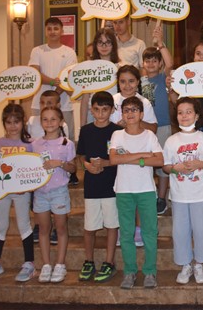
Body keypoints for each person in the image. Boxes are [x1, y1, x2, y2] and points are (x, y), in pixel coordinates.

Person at [109, 96, 164, 289]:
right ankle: (130, 271)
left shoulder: (149, 136)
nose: (130, 113)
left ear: (141, 114)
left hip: (146, 190)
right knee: (126, 233)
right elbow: (114, 160)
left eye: (134, 110)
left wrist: (132, 159)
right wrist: (143, 155)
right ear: (122, 114)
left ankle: (150, 272)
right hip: (124, 190)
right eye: (126, 110)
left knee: (149, 233)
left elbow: (159, 161)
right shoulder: (117, 135)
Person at [163, 97, 203, 285]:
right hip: (179, 195)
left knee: (201, 229)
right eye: (180, 112)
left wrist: (199, 164)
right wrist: (174, 168)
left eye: (188, 112)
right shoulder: (171, 140)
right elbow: (166, 166)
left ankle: (199, 264)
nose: (184, 116)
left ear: (197, 115)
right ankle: (185, 264)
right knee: (180, 231)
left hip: (200, 194)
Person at [0, 104, 35, 282]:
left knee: (24, 225)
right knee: (1, 225)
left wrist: (28, 187)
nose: (12, 126)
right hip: (2, 191)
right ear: (3, 123)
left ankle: (29, 264)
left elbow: (34, 170)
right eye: (9, 122)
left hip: (21, 192)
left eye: (16, 122)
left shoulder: (29, 144)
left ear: (23, 122)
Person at [76, 92, 123, 283]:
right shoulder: (86, 130)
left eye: (105, 109)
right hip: (92, 187)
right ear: (91, 110)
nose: (101, 113)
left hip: (111, 186)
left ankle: (109, 262)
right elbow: (81, 155)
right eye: (97, 109)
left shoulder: (118, 131)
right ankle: (88, 261)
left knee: (112, 225)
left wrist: (106, 163)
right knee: (90, 227)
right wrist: (86, 165)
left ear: (112, 110)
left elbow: (121, 157)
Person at [32, 106, 76, 283]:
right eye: (45, 119)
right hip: (40, 193)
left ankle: (60, 264)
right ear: (40, 122)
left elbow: (73, 168)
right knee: (43, 229)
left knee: (61, 228)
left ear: (61, 122)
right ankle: (46, 264)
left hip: (59, 192)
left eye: (53, 119)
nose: (49, 123)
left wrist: (61, 163)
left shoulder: (67, 143)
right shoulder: (34, 144)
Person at [140, 26, 173, 215]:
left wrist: (160, 44)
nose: (151, 63)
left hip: (163, 126)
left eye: (155, 60)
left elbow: (170, 63)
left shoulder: (162, 78)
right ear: (143, 63)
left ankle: (161, 198)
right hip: (144, 128)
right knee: (146, 163)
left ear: (159, 63)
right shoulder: (139, 81)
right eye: (148, 60)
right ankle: (148, 196)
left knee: (162, 164)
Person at [29, 17, 78, 141]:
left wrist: (53, 96)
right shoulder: (37, 51)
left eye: (56, 28)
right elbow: (35, 74)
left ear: (62, 31)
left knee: (66, 139)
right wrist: (52, 82)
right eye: (49, 29)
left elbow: (68, 78)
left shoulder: (70, 52)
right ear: (46, 31)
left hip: (64, 104)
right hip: (39, 104)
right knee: (37, 139)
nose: (52, 31)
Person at [80, 28, 120, 127]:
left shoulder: (119, 68)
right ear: (95, 45)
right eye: (100, 42)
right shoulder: (89, 68)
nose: (104, 46)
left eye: (108, 42)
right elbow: (85, 100)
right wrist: (82, 127)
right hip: (93, 114)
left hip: (114, 113)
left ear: (113, 45)